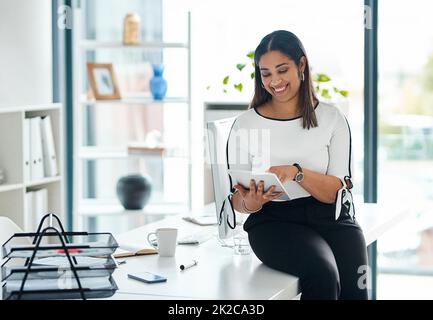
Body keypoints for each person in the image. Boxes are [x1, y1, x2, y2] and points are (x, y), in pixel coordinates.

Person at [227, 30, 368, 300]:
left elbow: (333, 192)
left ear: (301, 66)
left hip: (332, 216)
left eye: (282, 70)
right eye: (266, 73)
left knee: (356, 286)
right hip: (273, 222)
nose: (274, 81)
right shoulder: (246, 124)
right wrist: (252, 203)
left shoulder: (331, 118)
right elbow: (237, 199)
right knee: (323, 275)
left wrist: (296, 172)